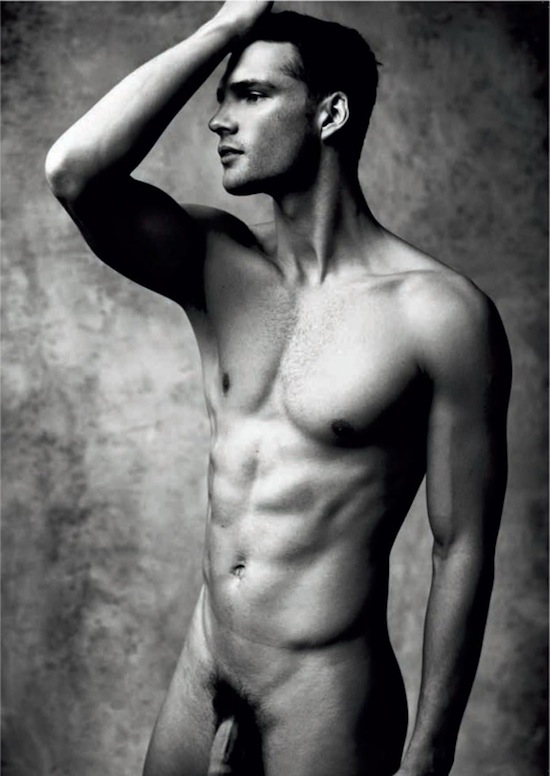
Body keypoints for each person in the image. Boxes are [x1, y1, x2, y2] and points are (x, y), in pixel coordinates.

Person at [45, 3, 512, 774]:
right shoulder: (213, 261)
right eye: (222, 97)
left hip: (322, 694)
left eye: (253, 95)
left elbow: (460, 546)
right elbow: (74, 171)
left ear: (330, 114)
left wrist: (430, 753)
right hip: (202, 675)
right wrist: (224, 30)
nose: (219, 121)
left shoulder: (439, 314)